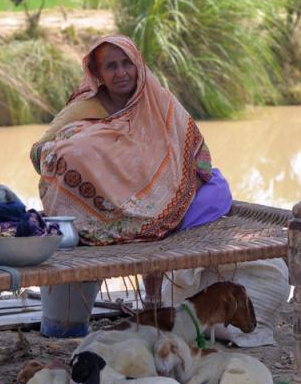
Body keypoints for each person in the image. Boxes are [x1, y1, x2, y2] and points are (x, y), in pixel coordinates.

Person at [30, 35, 231, 246]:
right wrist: (92, 149)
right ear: (98, 73)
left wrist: (171, 196)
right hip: (107, 209)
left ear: (138, 65)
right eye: (111, 66)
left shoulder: (159, 101)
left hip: (167, 196)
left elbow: (200, 160)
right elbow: (38, 153)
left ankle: (164, 230)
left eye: (127, 63)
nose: (121, 73)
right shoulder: (83, 109)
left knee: (216, 191)